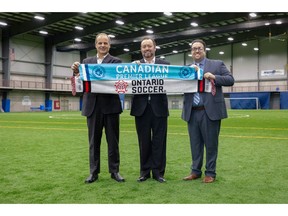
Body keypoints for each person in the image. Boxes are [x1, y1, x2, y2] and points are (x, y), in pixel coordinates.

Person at [71, 33, 125, 183]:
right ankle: (93, 173)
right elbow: (80, 80)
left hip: (111, 107)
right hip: (92, 107)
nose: (102, 45)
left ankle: (115, 171)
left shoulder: (116, 62)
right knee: (94, 142)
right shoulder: (86, 62)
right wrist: (75, 71)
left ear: (109, 45)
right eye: (100, 43)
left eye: (105, 43)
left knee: (113, 142)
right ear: (95, 45)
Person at [182, 39, 234, 183]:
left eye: (199, 48)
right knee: (195, 144)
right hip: (192, 111)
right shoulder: (186, 69)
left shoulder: (216, 64)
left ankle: (210, 173)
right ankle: (195, 171)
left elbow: (230, 79)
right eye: (193, 49)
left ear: (205, 50)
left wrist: (214, 77)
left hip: (210, 111)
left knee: (211, 144)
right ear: (191, 52)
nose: (196, 51)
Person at [130, 37, 170, 183]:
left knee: (160, 141)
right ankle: (144, 172)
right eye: (144, 47)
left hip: (159, 108)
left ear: (155, 48)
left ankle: (158, 172)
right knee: (143, 141)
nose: (147, 49)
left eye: (149, 46)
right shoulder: (134, 66)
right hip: (141, 109)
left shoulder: (165, 65)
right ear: (141, 50)